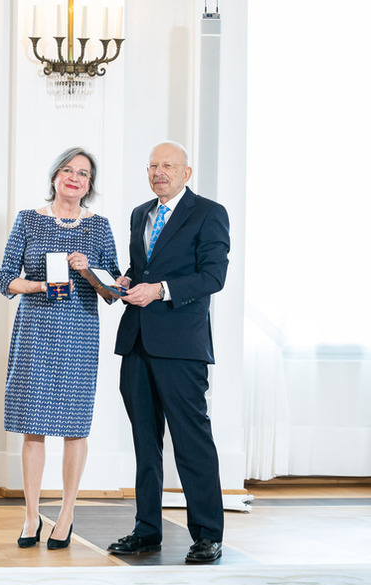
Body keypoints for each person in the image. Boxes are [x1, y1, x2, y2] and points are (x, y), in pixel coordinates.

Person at [107, 141, 229, 563]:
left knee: (192, 441)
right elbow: (143, 268)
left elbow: (213, 277)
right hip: (137, 342)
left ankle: (208, 534)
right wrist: (124, 280)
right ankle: (147, 530)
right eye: (153, 165)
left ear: (186, 173)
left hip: (181, 347)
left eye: (168, 165)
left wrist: (160, 291)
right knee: (145, 442)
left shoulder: (209, 213)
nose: (159, 172)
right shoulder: (141, 213)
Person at [0, 147, 120, 549]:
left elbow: (115, 288)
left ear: (89, 186)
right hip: (34, 330)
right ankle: (32, 515)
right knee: (33, 427)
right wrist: (39, 285)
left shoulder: (99, 228)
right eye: (68, 170)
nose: (74, 178)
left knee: (74, 428)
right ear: (54, 177)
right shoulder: (29, 220)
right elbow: (4, 280)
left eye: (83, 174)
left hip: (80, 332)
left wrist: (89, 270)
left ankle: (66, 513)